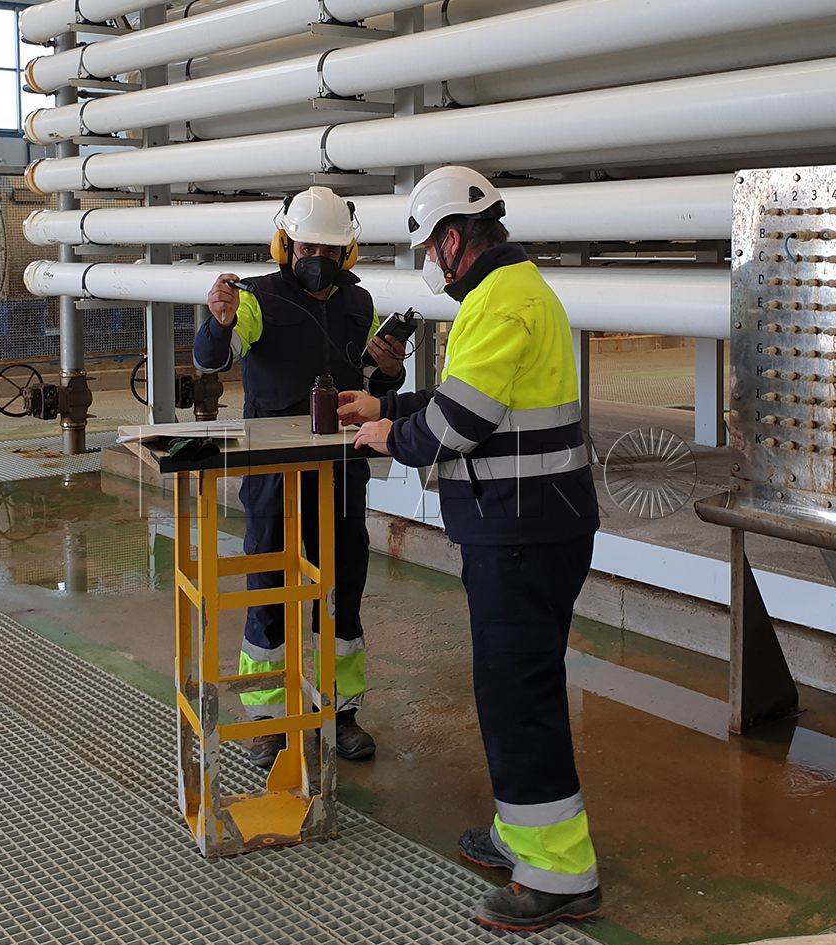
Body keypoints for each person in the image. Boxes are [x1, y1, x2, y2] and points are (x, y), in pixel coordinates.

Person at [338, 165, 602, 931]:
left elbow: (456, 427)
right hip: (530, 524)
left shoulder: (498, 302)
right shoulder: (514, 293)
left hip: (523, 532)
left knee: (519, 697)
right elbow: (476, 400)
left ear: (453, 240)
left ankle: (559, 873)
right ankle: (520, 832)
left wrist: (391, 431)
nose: (427, 263)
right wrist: (387, 402)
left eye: (426, 247)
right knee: (512, 687)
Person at [194, 186, 406, 768]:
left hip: (340, 468)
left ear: (349, 252)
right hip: (272, 472)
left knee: (342, 589)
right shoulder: (256, 298)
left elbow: (369, 382)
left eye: (330, 248)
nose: (318, 256)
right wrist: (218, 323)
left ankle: (342, 711)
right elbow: (214, 358)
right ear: (285, 243)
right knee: (269, 590)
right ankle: (269, 720)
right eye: (307, 244)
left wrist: (388, 371)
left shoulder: (359, 305)